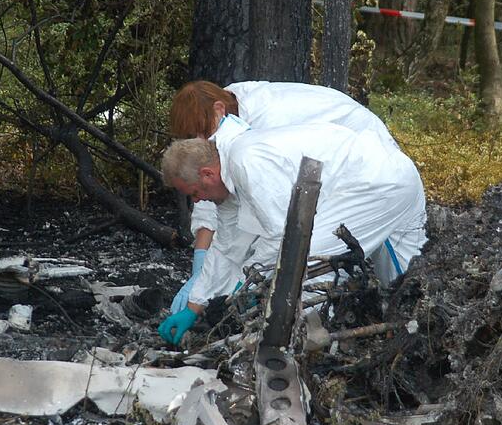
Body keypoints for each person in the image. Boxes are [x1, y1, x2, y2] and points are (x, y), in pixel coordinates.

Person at [157, 116, 427, 344]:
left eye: (194, 193)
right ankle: (414, 332)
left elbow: (282, 236)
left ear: (207, 174)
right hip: (369, 178)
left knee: (309, 259)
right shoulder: (227, 177)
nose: (197, 202)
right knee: (407, 284)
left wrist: (246, 287)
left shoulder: (247, 162)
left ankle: (310, 343)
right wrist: (195, 305)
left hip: (379, 180)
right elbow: (228, 248)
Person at [168, 80, 398, 314]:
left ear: (219, 110)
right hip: (333, 176)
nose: (202, 142)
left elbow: (280, 231)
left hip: (371, 166)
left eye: (203, 134)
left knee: (390, 275)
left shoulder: (256, 139)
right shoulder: (228, 132)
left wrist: (246, 281)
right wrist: (201, 280)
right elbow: (218, 203)